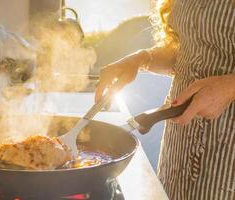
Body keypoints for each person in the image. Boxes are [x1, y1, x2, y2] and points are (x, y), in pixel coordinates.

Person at [95, 0, 235, 199]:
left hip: (227, 155)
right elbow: (189, 49)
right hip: (179, 144)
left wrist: (229, 87)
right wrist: (142, 58)